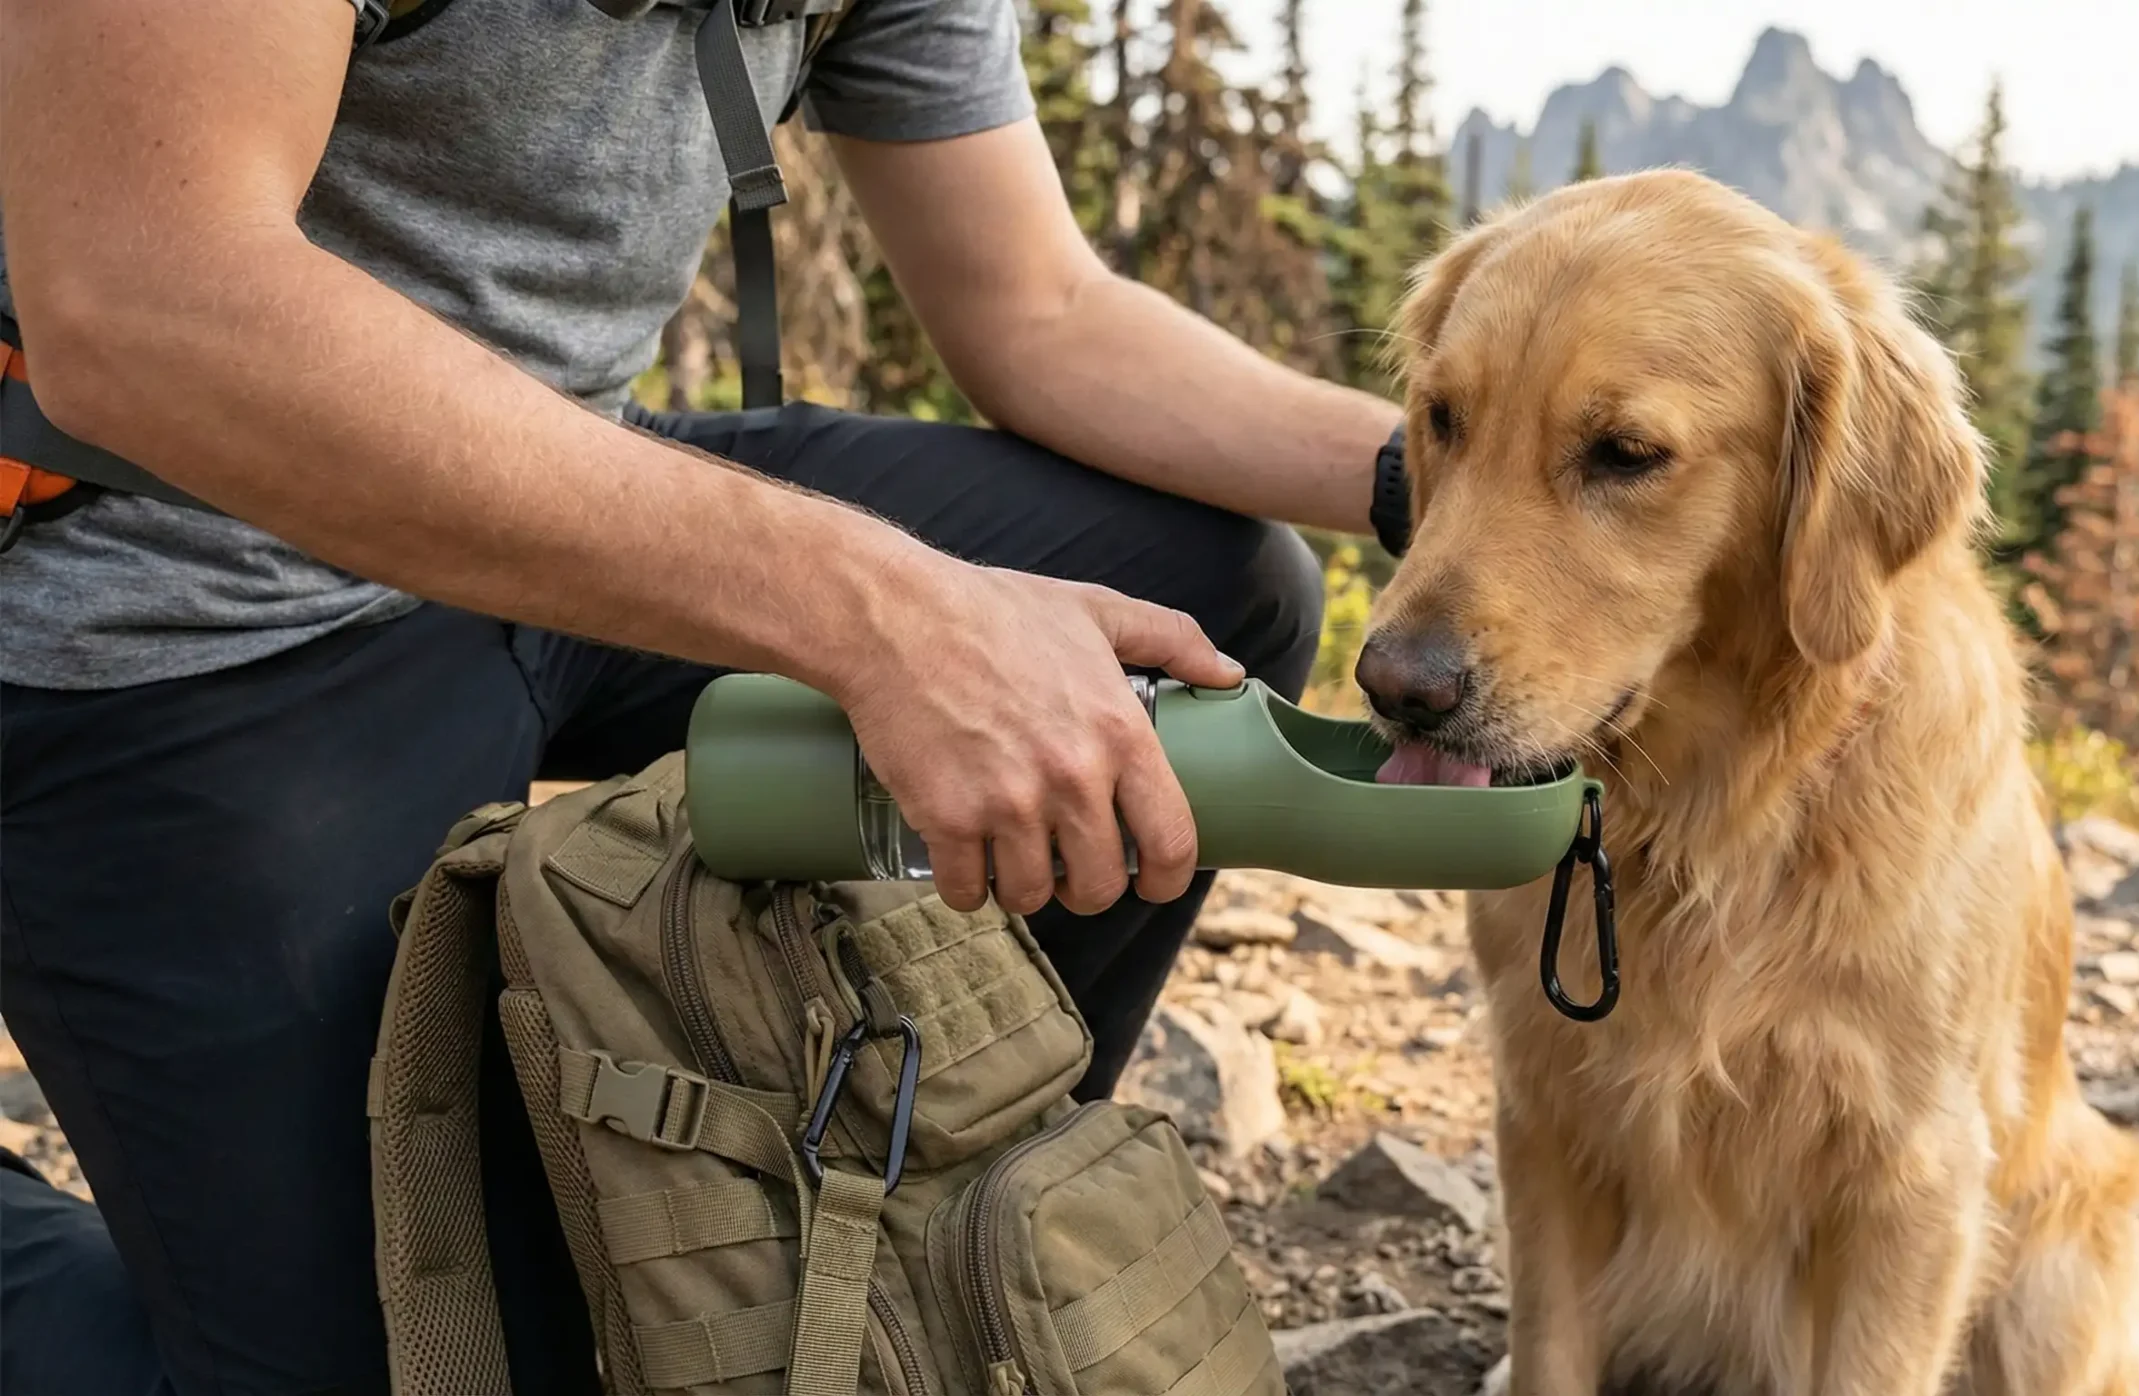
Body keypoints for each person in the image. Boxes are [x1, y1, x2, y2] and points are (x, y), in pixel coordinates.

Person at [0, 0, 1408, 1390]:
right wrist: (888, 615)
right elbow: (144, 297)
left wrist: (1479, 481)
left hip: (549, 487)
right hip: (181, 596)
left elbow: (1039, 307)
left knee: (1199, 607)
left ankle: (880, 1223)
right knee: (454, 1356)